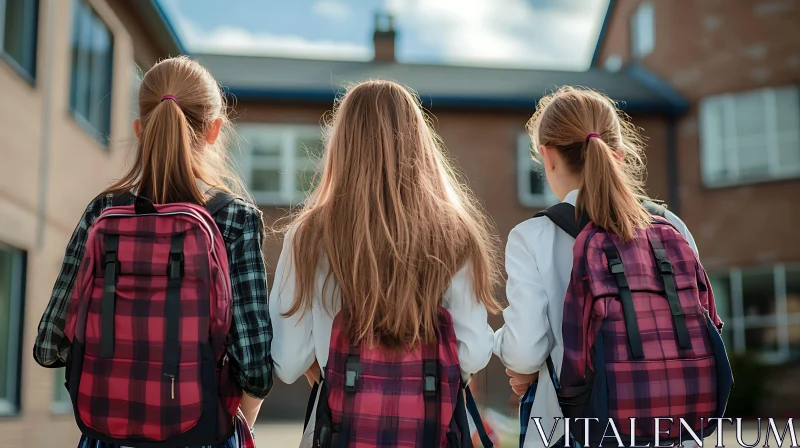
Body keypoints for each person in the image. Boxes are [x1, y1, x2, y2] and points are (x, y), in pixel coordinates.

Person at [33, 56, 271, 448]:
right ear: (214, 130)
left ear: (140, 129)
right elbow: (256, 368)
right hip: (200, 433)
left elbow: (49, 346)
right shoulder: (235, 219)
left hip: (106, 435)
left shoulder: (103, 213)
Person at [269, 80, 501, 447]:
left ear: (342, 144)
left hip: (338, 430)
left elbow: (287, 361)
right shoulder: (456, 232)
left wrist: (326, 365)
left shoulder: (307, 235)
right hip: (431, 428)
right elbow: (471, 352)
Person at [494, 86, 723, 448]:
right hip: (675, 430)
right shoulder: (670, 226)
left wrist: (515, 358)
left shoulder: (533, 236)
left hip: (573, 431)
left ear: (547, 156)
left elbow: (524, 350)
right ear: (618, 154)